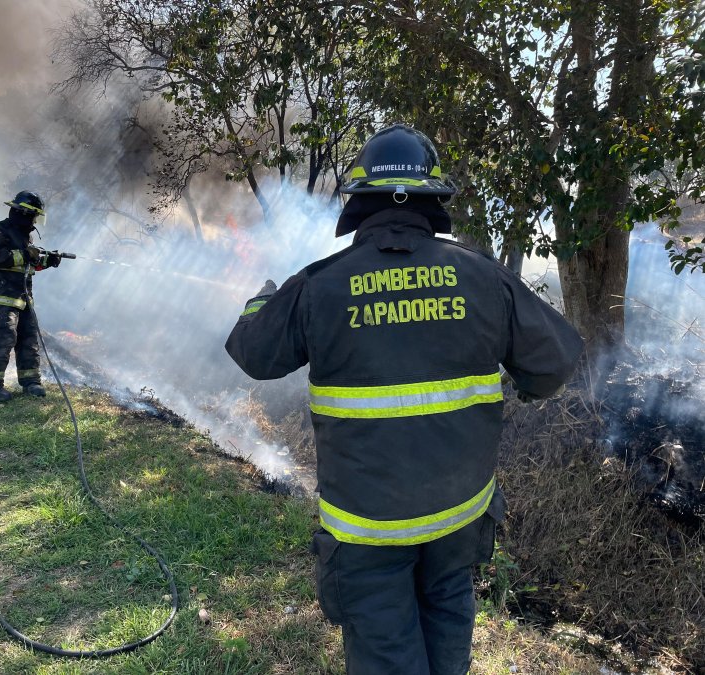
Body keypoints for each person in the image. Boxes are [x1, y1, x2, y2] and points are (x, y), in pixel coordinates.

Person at [225, 125, 583, 675]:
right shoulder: (483, 277)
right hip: (458, 518)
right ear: (432, 200)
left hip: (369, 532)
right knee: (447, 628)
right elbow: (555, 363)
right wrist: (523, 386)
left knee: (386, 653)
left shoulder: (321, 285)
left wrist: (259, 303)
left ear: (360, 202)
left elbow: (254, 353)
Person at [0, 190, 62, 402]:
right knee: (2, 340)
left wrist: (48, 260)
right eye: (34, 216)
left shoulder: (26, 236)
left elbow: (28, 264)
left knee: (29, 341)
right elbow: (0, 259)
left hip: (23, 299)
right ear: (24, 213)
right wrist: (26, 254)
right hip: (2, 298)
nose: (34, 221)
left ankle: (31, 382)